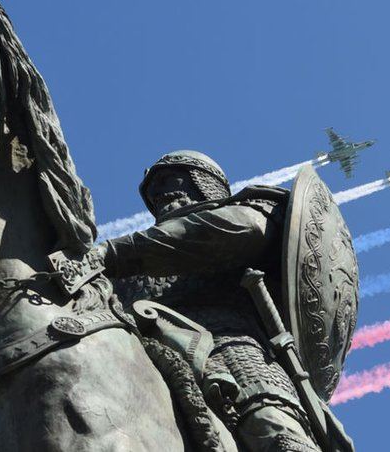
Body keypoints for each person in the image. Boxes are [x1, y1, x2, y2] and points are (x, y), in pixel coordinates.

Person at [94, 150, 324, 452]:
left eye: (167, 180)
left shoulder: (252, 210)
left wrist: (111, 254)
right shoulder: (123, 269)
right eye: (153, 190)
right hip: (141, 356)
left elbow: (240, 229)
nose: (160, 192)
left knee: (273, 431)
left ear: (202, 182)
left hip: (230, 348)